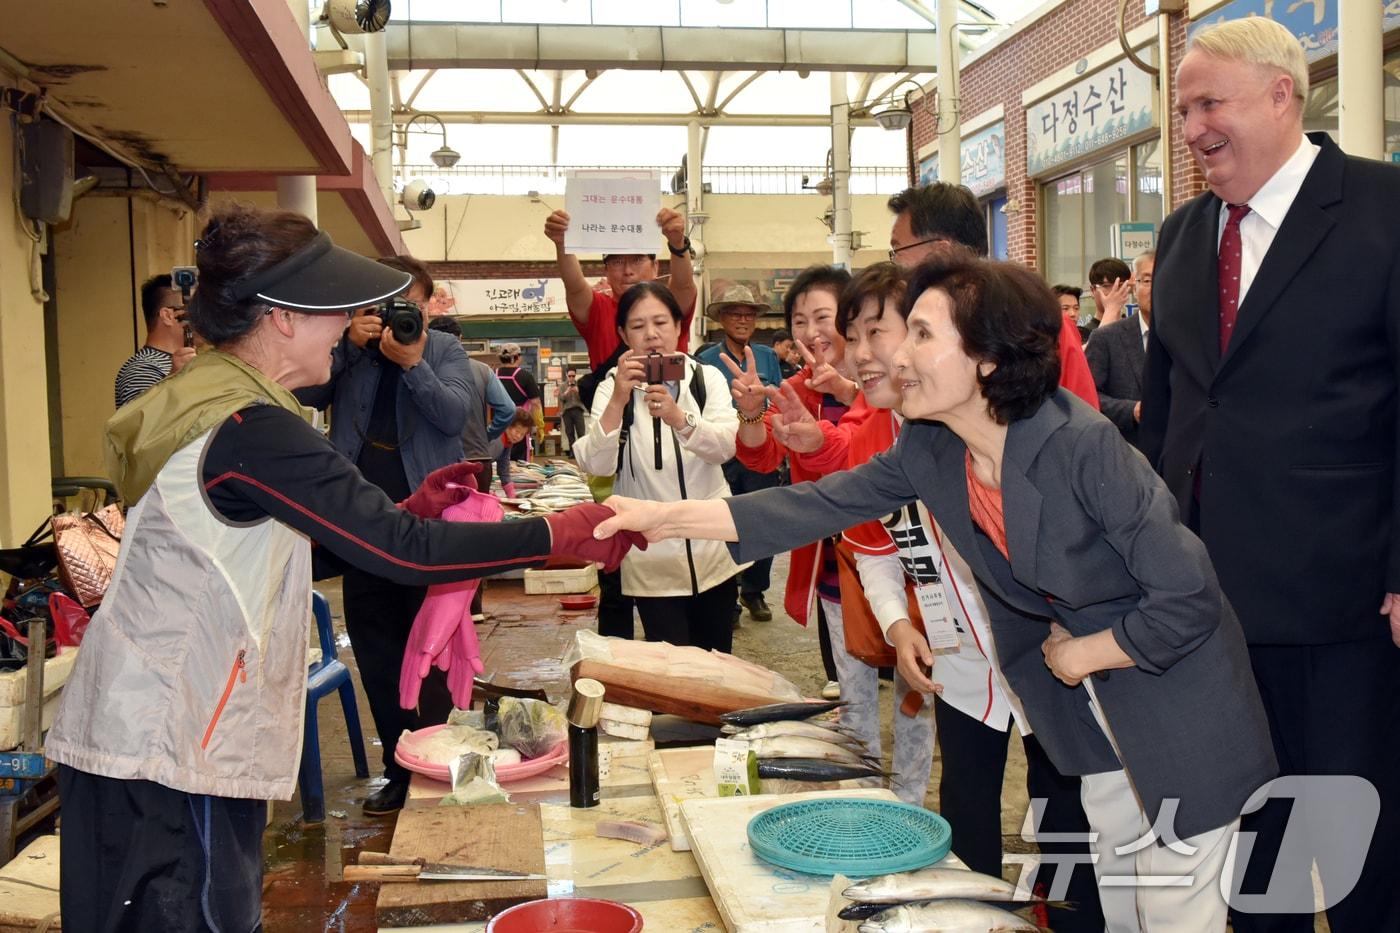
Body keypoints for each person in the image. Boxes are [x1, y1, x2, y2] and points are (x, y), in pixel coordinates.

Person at [599, 255, 1276, 932]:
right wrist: (658, 518)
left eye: (920, 334)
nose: (896, 356)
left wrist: (1084, 654)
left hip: (1176, 702)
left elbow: (1188, 598)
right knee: (1127, 909)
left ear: (986, 356)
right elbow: (818, 503)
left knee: (1173, 912)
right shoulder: (932, 446)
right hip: (1098, 716)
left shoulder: (1080, 446)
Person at [46, 204, 637, 931]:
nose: (354, 324)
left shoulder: (217, 405)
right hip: (162, 755)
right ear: (284, 317)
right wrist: (559, 532)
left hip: (153, 740)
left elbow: (278, 550)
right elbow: (401, 553)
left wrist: (412, 507)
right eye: (337, 308)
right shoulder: (249, 427)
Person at [1140, 16, 1400, 931]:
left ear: (1282, 95)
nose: (1193, 128)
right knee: (1255, 861)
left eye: (1210, 103)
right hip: (1209, 616)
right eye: (1183, 109)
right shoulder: (1180, 238)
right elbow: (1166, 423)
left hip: (1346, 604)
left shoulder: (1382, 208)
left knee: (1363, 849)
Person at [832, 262, 1102, 927]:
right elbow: (872, 552)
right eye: (852, 336)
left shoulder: (1002, 418)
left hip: (1046, 653)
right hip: (957, 660)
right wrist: (898, 627)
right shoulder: (873, 435)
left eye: (883, 331)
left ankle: (1074, 919)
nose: (864, 353)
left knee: (1066, 809)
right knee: (967, 811)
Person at [295, 252, 474, 817]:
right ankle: (399, 770)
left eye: (409, 304)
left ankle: (439, 762)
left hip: (429, 526)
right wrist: (349, 345)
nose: (399, 316)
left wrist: (413, 363)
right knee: (377, 649)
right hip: (362, 524)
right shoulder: (349, 353)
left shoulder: (444, 349)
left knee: (434, 651)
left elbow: (453, 416)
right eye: (386, 305)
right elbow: (308, 393)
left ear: (425, 307)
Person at [572, 281, 741, 651]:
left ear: (679, 327)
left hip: (714, 551)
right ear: (622, 333)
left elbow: (725, 448)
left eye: (661, 323)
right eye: (637, 325)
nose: (651, 335)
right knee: (673, 669)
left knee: (718, 663)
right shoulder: (611, 387)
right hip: (652, 559)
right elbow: (596, 463)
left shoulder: (704, 378)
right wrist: (618, 400)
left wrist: (681, 419)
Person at [725, 266, 857, 718]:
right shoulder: (796, 389)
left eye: (823, 317)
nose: (811, 332)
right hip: (836, 559)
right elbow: (761, 459)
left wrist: (848, 392)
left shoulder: (885, 381)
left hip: (901, 557)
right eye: (799, 321)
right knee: (851, 682)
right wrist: (749, 414)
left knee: (915, 689)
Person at [886, 182, 1100, 408]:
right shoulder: (904, 323)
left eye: (898, 251)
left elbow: (1082, 416)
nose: (895, 266)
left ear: (941, 251)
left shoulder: (1037, 323)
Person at [695, 285, 783, 623]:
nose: (743, 320)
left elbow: (776, 400)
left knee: (764, 523)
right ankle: (728, 597)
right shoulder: (705, 360)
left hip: (761, 450)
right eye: (735, 313)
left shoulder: (768, 357)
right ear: (721, 318)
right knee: (725, 525)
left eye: (749, 314)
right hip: (724, 454)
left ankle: (754, 591)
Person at [544, 207, 698, 368]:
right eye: (617, 262)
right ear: (606, 271)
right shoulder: (597, 311)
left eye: (637, 260)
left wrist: (677, 243)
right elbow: (574, 286)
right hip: (611, 394)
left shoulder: (670, 305)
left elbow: (684, 285)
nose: (627, 271)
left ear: (655, 267)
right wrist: (562, 244)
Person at [428, 316, 515, 492]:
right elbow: (508, 409)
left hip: (436, 462)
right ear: (460, 338)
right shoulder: (482, 370)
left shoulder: (422, 369)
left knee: (437, 518)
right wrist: (487, 435)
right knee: (476, 517)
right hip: (477, 459)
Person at [1085, 252, 1153, 451]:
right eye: (1147, 280)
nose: (1155, 288)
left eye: (1164, 278)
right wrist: (1132, 410)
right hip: (1126, 453)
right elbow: (1088, 396)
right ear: (1134, 285)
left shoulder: (1189, 337)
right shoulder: (1106, 338)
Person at [115, 274, 197, 407]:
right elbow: (141, 423)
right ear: (168, 316)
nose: (204, 318)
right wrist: (174, 378)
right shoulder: (141, 370)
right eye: (195, 310)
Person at [495, 343, 542, 461]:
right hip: (520, 426)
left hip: (499, 424)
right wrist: (540, 426)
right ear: (517, 357)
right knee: (520, 465)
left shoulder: (492, 375)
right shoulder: (525, 376)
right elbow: (536, 403)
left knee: (498, 462)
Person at [1081, 257, 1133, 341]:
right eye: (1107, 286)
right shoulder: (1083, 333)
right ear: (1093, 290)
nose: (1114, 291)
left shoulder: (1133, 329)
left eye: (1120, 285)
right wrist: (1111, 309)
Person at [492, 406, 536, 498]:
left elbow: (503, 468)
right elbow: (483, 465)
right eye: (517, 431)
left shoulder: (507, 441)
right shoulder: (496, 439)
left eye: (522, 434)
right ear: (508, 425)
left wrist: (510, 491)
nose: (518, 436)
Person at [560, 369, 587, 451]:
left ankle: (581, 451)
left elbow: (585, 398)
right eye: (569, 376)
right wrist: (566, 392)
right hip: (567, 411)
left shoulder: (579, 384)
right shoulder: (562, 386)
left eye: (573, 376)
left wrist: (579, 392)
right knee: (569, 432)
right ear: (566, 376)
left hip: (578, 410)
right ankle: (572, 452)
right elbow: (561, 398)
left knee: (581, 432)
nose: (571, 378)